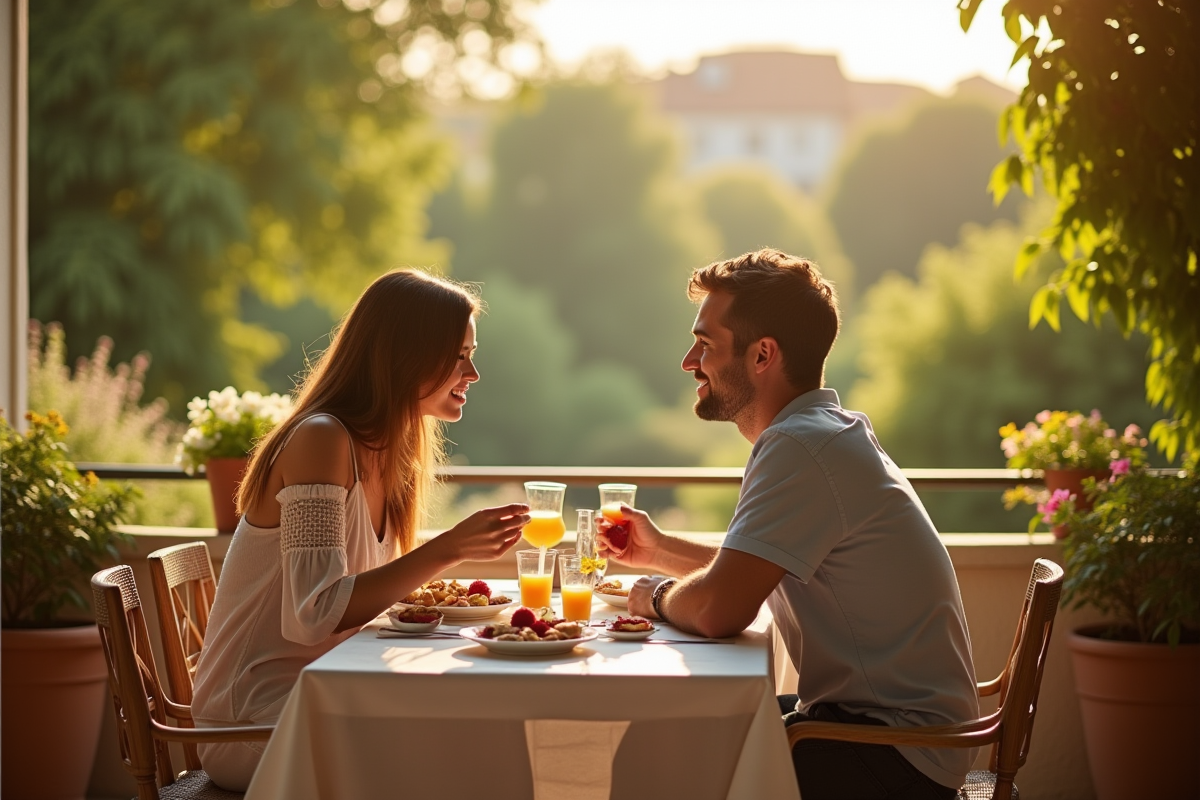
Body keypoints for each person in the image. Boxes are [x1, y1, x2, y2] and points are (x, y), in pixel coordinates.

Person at [598, 249, 979, 799]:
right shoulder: (823, 431)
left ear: (763, 355)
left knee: (662, 754)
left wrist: (653, 597)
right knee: (669, 736)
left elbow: (717, 609)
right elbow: (751, 571)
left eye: (705, 344)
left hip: (896, 759)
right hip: (896, 737)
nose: (688, 361)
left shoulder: (801, 445)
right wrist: (657, 550)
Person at [191, 269, 530, 791]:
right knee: (459, 742)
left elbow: (367, 597)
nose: (474, 373)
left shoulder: (393, 448)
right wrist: (450, 549)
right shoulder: (321, 440)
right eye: (460, 356)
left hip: (323, 693)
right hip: (255, 723)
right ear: (405, 355)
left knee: (486, 719)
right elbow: (314, 616)